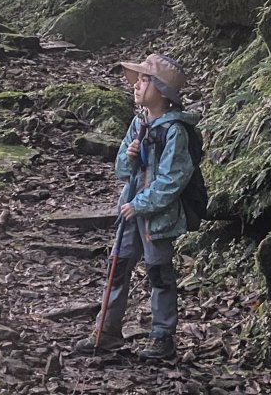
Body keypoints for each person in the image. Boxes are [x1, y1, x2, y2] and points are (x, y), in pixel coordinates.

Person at [75, 52, 197, 361]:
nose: (136, 86)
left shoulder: (174, 131)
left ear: (161, 90)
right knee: (117, 266)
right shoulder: (138, 122)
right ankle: (106, 330)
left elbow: (173, 179)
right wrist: (130, 157)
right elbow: (120, 169)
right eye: (138, 80)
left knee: (158, 273)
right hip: (131, 209)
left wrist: (140, 204)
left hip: (157, 216)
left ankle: (162, 336)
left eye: (144, 80)